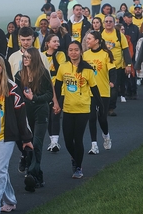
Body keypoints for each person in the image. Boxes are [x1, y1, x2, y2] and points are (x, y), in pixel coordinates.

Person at [0, 54, 32, 214]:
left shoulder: (12, 88)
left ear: (3, 67)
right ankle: (10, 201)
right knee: (0, 171)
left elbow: (21, 115)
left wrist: (26, 139)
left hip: (7, 135)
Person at [52, 41, 101, 179]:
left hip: (83, 109)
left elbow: (94, 89)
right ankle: (75, 157)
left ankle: (78, 167)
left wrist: (101, 106)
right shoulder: (63, 67)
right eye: (71, 50)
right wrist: (56, 103)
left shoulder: (88, 70)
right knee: (68, 140)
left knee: (77, 139)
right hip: (68, 108)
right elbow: (57, 87)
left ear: (81, 52)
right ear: (67, 52)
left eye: (76, 50)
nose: (73, 52)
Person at [15, 48, 53, 191]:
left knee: (36, 143)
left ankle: (31, 174)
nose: (25, 59)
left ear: (35, 59)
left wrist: (34, 98)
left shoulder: (43, 73)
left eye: (28, 57)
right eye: (24, 57)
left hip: (41, 111)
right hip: (25, 112)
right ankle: (38, 176)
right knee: (27, 144)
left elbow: (49, 95)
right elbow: (16, 96)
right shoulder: (18, 75)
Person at [82, 31, 114, 154]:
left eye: (89, 38)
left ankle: (106, 136)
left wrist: (112, 81)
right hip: (89, 92)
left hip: (103, 91)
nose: (87, 40)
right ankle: (94, 144)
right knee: (91, 117)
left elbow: (112, 70)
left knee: (102, 118)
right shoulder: (85, 55)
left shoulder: (106, 54)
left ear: (97, 40)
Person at [42, 33, 66, 152]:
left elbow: (59, 69)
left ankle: (56, 141)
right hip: (46, 87)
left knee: (55, 114)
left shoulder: (61, 55)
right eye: (54, 41)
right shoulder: (42, 55)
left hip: (58, 87)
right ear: (48, 43)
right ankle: (52, 141)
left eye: (58, 41)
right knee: (48, 116)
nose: (57, 43)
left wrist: (54, 54)